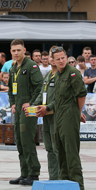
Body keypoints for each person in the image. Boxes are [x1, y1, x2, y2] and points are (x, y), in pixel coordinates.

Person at [51, 47, 87, 190]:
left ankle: (78, 185)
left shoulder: (73, 73)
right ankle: (64, 180)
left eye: (63, 58)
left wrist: (78, 113)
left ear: (66, 57)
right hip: (59, 116)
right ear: (53, 61)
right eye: (58, 59)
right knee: (60, 150)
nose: (61, 61)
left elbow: (81, 94)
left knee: (71, 151)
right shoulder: (57, 75)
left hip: (70, 116)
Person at [8, 39, 43, 186]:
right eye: (14, 50)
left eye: (18, 50)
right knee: (20, 141)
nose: (16, 53)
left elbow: (40, 86)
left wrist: (32, 103)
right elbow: (11, 89)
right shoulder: (13, 68)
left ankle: (33, 173)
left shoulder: (31, 66)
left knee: (27, 140)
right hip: (19, 109)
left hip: (29, 110)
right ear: (11, 51)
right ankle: (24, 173)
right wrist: (13, 103)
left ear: (24, 50)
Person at [29, 46, 60, 181]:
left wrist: (48, 107)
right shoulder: (48, 75)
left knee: (57, 148)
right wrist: (33, 106)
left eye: (56, 58)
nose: (53, 60)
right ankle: (53, 177)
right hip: (47, 117)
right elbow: (42, 93)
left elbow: (60, 98)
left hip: (56, 116)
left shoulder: (61, 75)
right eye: (52, 57)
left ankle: (59, 177)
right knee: (49, 148)